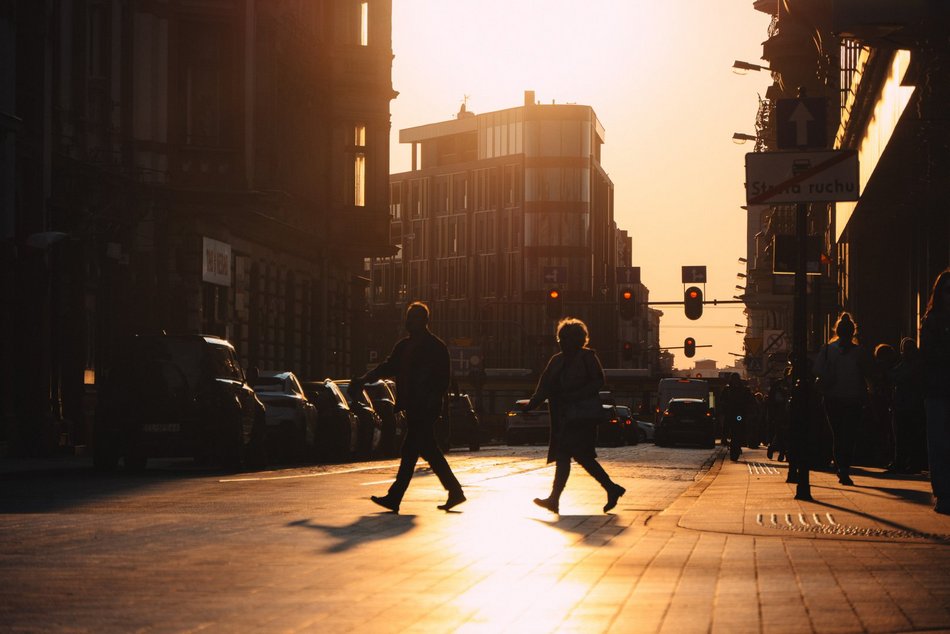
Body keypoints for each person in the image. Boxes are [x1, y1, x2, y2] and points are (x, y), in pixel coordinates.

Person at [350, 302, 465, 513]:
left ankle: (396, 497)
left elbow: (442, 379)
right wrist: (365, 378)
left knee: (412, 450)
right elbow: (388, 366)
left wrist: (433, 400)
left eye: (413, 317)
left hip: (426, 407)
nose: (408, 321)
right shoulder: (404, 347)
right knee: (425, 451)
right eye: (408, 317)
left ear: (424, 321)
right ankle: (454, 491)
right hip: (412, 406)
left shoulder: (436, 347)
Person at [522, 318, 625, 514]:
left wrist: (576, 395)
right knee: (578, 456)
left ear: (577, 340)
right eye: (560, 338)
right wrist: (532, 404)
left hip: (582, 416)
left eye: (565, 338)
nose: (561, 342)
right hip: (563, 417)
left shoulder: (587, 358)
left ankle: (556, 498)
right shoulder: (556, 360)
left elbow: (598, 381)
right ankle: (610, 488)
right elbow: (544, 386)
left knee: (568, 455)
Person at [813, 312, 870, 486]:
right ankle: (844, 467)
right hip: (853, 399)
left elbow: (817, 371)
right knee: (849, 435)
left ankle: (842, 467)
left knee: (838, 435)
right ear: (852, 332)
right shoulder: (859, 352)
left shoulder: (828, 350)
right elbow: (867, 374)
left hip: (833, 398)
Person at [920, 269, 950, 514]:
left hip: (938, 387)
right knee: (939, 442)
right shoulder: (932, 321)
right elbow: (929, 356)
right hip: (938, 389)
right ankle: (942, 492)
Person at [889, 338, 926, 474]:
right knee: (900, 436)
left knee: (909, 435)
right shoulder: (904, 365)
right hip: (902, 404)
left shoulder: (913, 366)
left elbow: (898, 377)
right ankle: (901, 461)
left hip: (910, 405)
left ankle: (910, 463)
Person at [717, 373, 754, 461]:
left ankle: (742, 441)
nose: (735, 381)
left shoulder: (744, 390)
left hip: (740, 413)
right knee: (726, 424)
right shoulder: (727, 389)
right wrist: (724, 406)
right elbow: (721, 400)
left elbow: (750, 401)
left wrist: (748, 409)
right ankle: (725, 438)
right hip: (730, 412)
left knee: (742, 426)